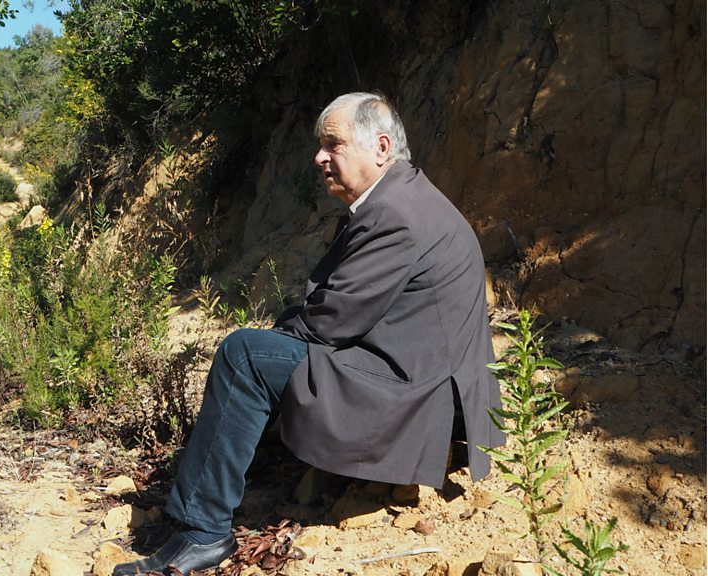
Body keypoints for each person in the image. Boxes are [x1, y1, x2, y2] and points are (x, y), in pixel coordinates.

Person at [113, 92, 504, 576]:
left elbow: (330, 323)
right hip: (426, 383)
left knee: (244, 355)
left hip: (416, 399)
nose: (319, 157)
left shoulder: (395, 214)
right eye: (321, 146)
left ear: (381, 147)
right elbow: (339, 313)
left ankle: (201, 531)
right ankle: (240, 462)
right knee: (277, 335)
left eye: (333, 145)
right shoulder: (404, 195)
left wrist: (280, 334)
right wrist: (288, 328)